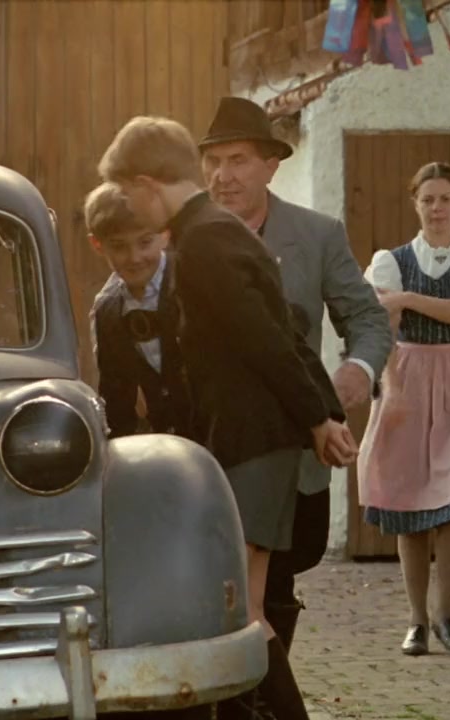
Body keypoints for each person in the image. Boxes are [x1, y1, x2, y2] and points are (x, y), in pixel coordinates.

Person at [97, 115, 358, 720]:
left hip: (251, 442)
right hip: (254, 442)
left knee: (242, 612)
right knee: (242, 609)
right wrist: (320, 411)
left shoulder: (203, 242)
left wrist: (318, 418)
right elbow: (285, 328)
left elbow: (267, 340)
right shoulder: (216, 229)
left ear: (146, 184)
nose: (130, 208)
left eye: (128, 194)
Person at [198, 96, 392, 653]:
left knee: (277, 580)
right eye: (213, 161)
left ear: (270, 165)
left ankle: (265, 677)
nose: (223, 176)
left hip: (296, 449)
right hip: (209, 445)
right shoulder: (184, 236)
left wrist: (357, 369)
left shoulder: (316, 235)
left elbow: (368, 319)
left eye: (237, 161)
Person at [358, 161, 450, 657]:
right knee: (409, 500)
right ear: (415, 204)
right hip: (406, 374)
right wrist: (391, 385)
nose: (437, 208)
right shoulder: (390, 261)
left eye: (445, 199)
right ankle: (416, 620)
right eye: (427, 199)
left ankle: (444, 612)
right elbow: (382, 322)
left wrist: (405, 299)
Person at [84, 181, 193, 441]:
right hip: (170, 444)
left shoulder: (191, 282)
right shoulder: (108, 311)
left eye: (145, 242)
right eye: (119, 246)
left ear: (165, 233)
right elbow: (116, 398)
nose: (134, 257)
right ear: (97, 244)